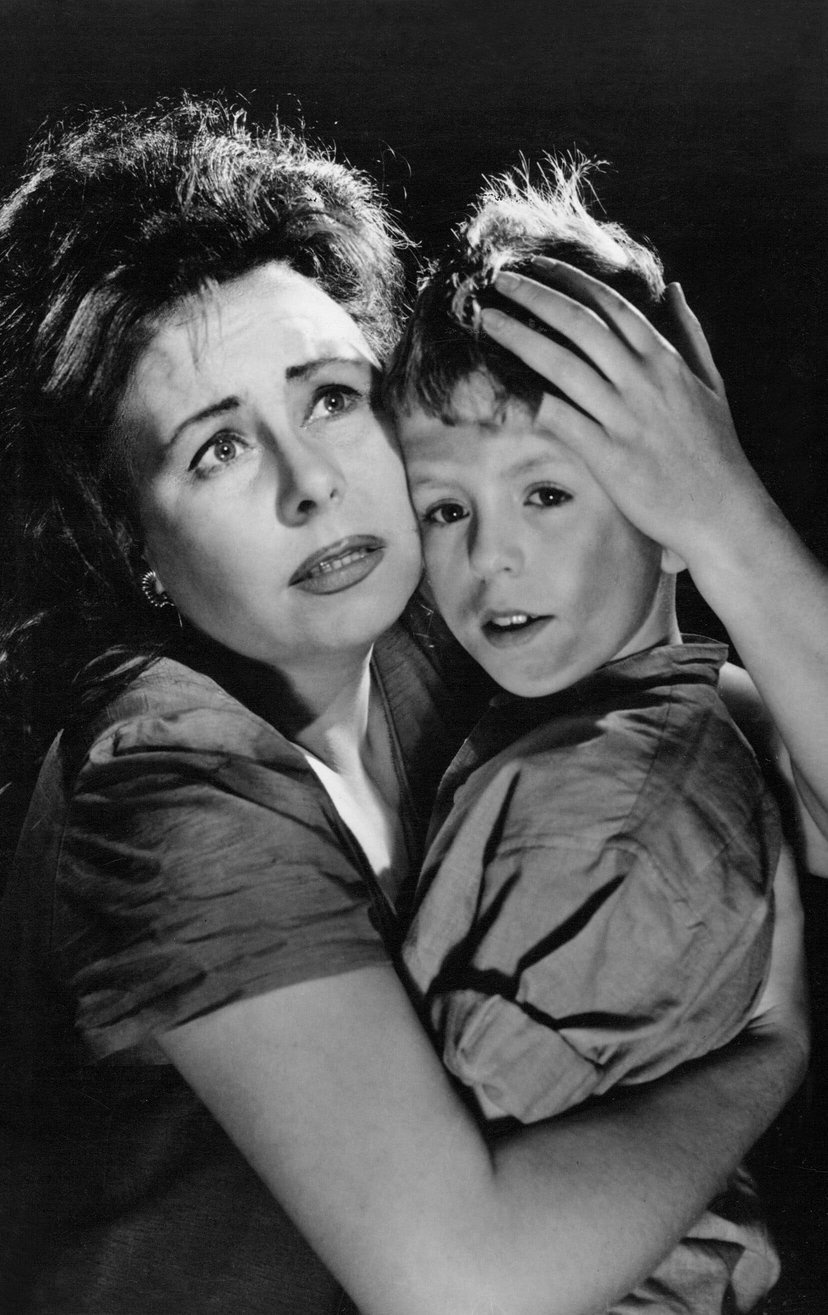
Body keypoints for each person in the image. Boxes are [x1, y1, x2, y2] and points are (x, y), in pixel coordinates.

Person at [0, 100, 812, 1315]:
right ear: (133, 546)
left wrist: (719, 512)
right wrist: (772, 1053)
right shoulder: (163, 779)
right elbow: (461, 1287)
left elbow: (740, 724)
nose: (312, 485)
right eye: (217, 450)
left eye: (330, 398)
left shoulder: (428, 625)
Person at [388, 163, 783, 1312]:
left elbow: (435, 1217)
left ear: (674, 516)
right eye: (446, 508)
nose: (489, 555)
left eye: (546, 495)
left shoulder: (601, 819)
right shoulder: (612, 725)